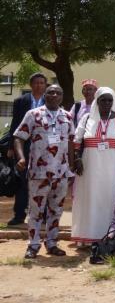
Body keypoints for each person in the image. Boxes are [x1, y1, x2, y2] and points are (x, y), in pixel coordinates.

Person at [13, 85, 75, 259]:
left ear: (62, 97)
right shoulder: (33, 114)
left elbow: (71, 142)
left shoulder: (68, 116)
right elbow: (19, 137)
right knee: (36, 211)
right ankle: (33, 245)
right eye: (50, 92)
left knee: (56, 211)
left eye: (58, 93)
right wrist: (20, 158)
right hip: (38, 173)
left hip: (61, 173)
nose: (54, 95)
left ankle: (52, 243)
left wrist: (70, 166)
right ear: (45, 95)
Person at [72, 87, 115, 245]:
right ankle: (89, 236)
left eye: (109, 100)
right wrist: (77, 159)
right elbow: (77, 141)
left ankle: (111, 235)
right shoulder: (87, 118)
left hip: (113, 166)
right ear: (97, 101)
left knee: (112, 197)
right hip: (90, 165)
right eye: (103, 100)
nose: (106, 103)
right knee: (90, 196)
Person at [6, 72, 48, 226]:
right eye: (36, 83)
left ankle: (42, 215)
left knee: (43, 181)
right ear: (31, 85)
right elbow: (15, 124)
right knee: (22, 181)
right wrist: (11, 146)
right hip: (24, 146)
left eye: (42, 83)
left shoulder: (50, 101)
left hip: (45, 148)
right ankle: (19, 215)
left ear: (45, 85)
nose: (39, 85)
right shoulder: (20, 101)